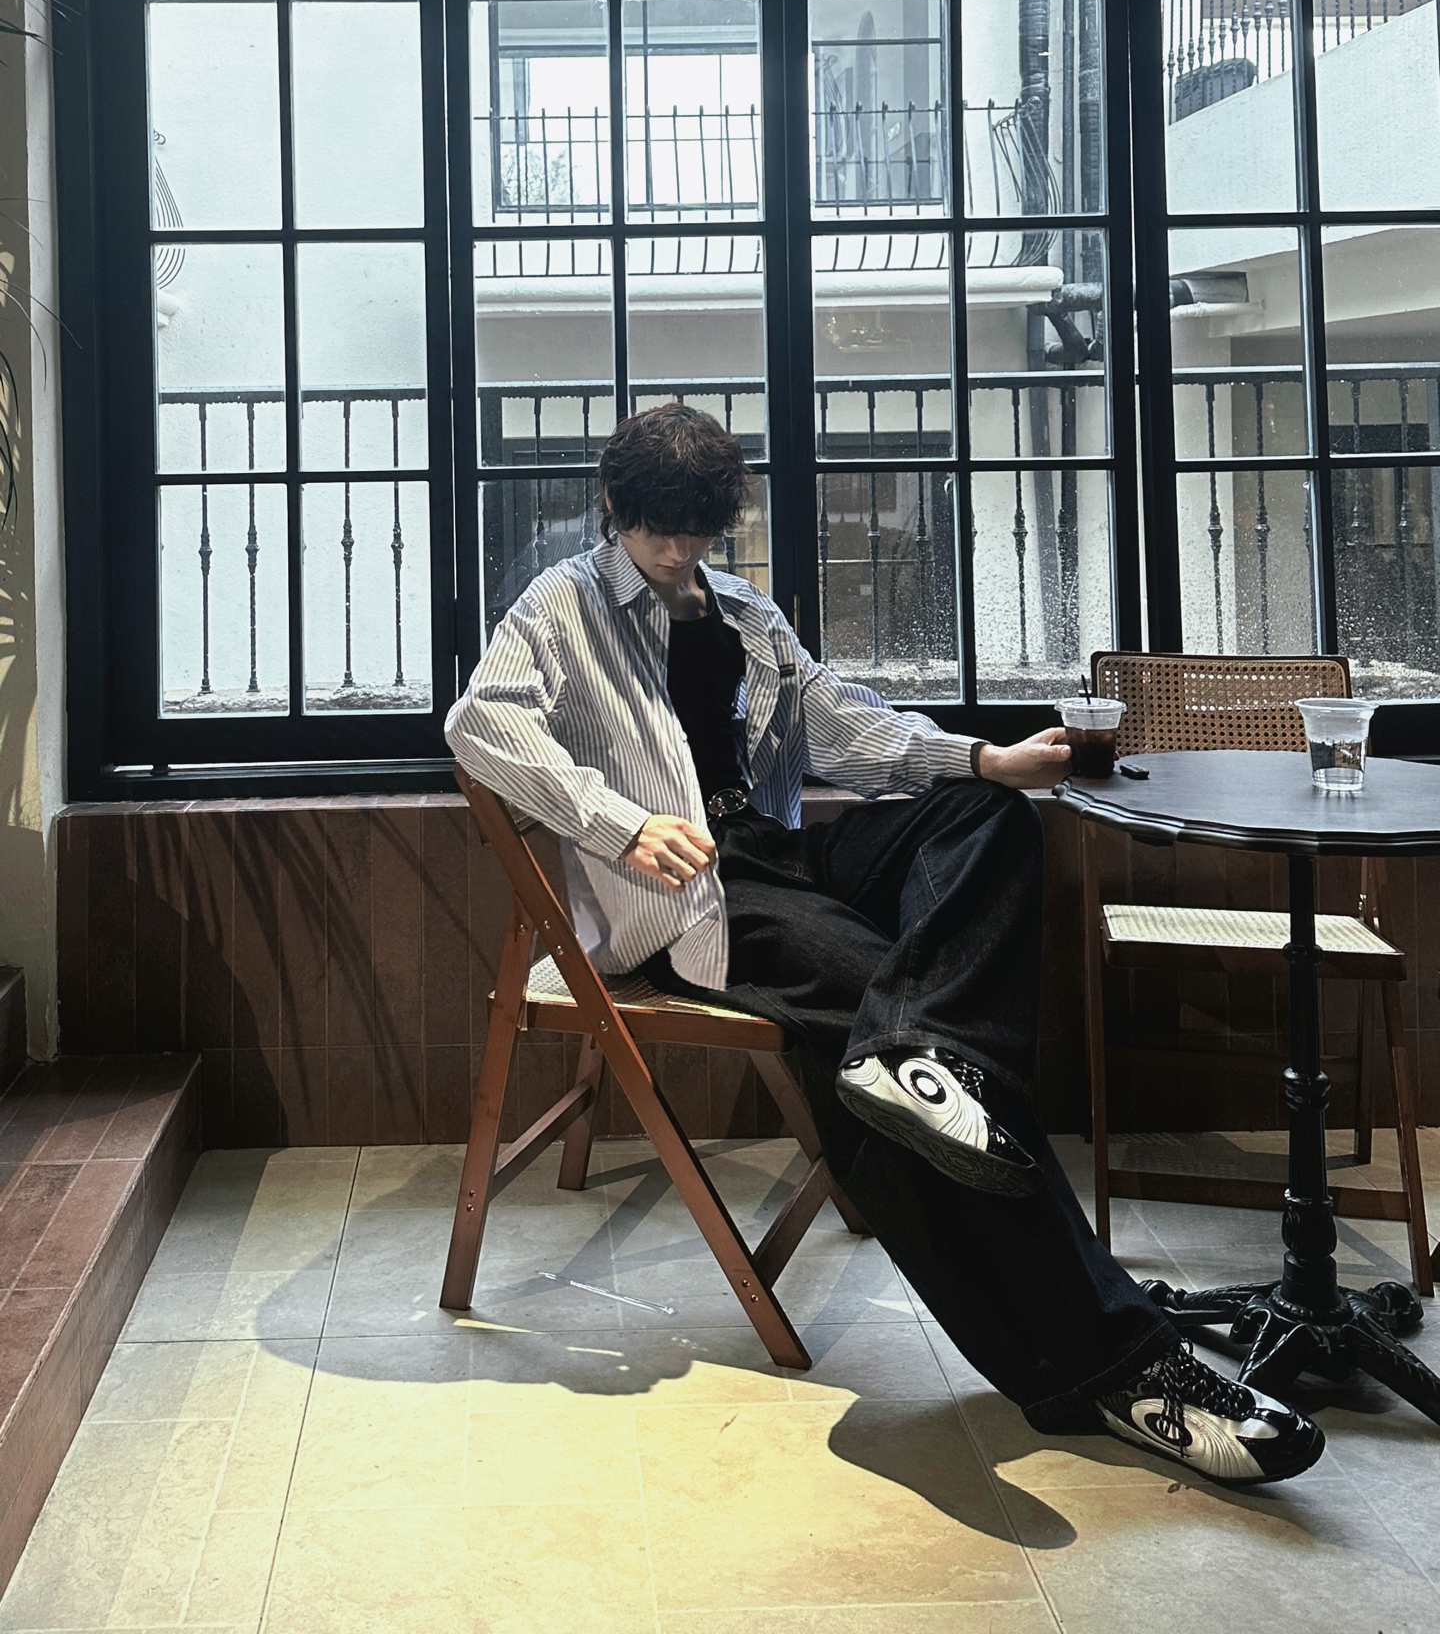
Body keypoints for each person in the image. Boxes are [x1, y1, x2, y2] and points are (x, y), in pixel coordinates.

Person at [446, 402, 1323, 1487]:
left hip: (777, 854)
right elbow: (479, 725)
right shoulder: (561, 604)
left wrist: (988, 761)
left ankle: (919, 1059)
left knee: (987, 819)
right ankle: (1118, 1360)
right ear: (614, 505)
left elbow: (842, 725)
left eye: (696, 531)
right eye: (656, 529)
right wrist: (621, 824)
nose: (675, 551)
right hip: (693, 897)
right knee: (894, 1029)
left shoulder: (742, 611)